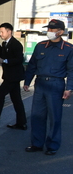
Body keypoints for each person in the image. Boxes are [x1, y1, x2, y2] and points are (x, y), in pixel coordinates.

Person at [22, 19, 73, 155]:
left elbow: (71, 70)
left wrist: (69, 88)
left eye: (52, 29)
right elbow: (32, 65)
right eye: (48, 29)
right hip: (40, 84)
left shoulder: (68, 49)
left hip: (56, 85)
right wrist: (27, 81)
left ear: (60, 32)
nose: (49, 32)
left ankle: (52, 145)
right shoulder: (40, 46)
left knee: (55, 116)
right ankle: (37, 143)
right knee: (37, 115)